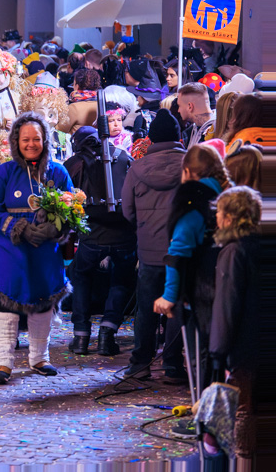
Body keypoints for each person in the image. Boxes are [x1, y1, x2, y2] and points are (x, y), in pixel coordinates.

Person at [0, 112, 73, 384]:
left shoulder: (58, 171)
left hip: (45, 251)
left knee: (42, 303)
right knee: (5, 305)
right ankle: (3, 362)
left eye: (36, 138)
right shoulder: (5, 171)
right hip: (9, 250)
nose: (31, 144)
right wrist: (18, 227)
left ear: (45, 140)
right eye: (25, 139)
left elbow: (72, 209)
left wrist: (54, 228)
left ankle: (39, 358)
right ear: (16, 141)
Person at [153, 145, 231, 382]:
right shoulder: (230, 196)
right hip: (231, 282)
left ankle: (208, 413)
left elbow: (178, 252)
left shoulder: (191, 200)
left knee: (203, 356)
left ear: (187, 171)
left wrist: (169, 295)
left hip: (202, 287)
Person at [121, 109, 188, 381]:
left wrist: (144, 228)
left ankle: (140, 363)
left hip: (149, 251)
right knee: (178, 307)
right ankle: (173, 366)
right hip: (182, 251)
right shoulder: (190, 165)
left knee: (146, 307)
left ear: (150, 138)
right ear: (179, 136)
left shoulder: (137, 168)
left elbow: (127, 210)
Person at [64, 126, 137, 356]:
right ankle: (107, 333)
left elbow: (62, 197)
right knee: (120, 281)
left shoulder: (74, 162)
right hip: (123, 234)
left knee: (82, 279)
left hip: (90, 235)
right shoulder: (124, 156)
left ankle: (81, 337)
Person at [210, 186, 263, 467]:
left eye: (219, 211)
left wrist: (218, 350)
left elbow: (227, 305)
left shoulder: (232, 252)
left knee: (244, 409)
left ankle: (245, 462)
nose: (216, 217)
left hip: (243, 343)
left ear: (230, 217)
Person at [176, 82, 215, 147]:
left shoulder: (216, 130)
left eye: (179, 106)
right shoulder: (192, 130)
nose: (178, 110)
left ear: (190, 106)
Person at [63, 69, 101, 133]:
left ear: (77, 86)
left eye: (74, 84)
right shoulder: (102, 105)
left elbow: (60, 130)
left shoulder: (73, 108)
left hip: (77, 142)